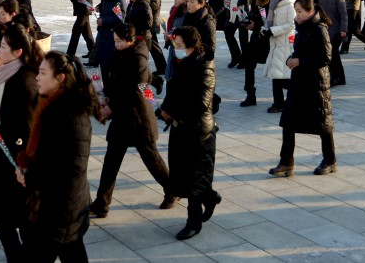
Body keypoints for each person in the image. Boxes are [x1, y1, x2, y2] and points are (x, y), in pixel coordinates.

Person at [16, 51, 103, 262]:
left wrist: (31, 176)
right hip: (54, 205)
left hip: (61, 208)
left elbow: (71, 168)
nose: (37, 77)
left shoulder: (73, 115)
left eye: (43, 73)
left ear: (60, 78)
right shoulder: (48, 103)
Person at [89, 23, 174, 218]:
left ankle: (172, 189)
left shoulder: (138, 60)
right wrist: (106, 99)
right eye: (114, 40)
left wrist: (112, 106)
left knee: (152, 159)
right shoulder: (117, 54)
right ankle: (101, 203)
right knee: (111, 161)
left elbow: (135, 92)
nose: (116, 44)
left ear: (130, 40)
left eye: (119, 41)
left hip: (138, 118)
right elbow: (114, 83)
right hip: (121, 118)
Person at [0, 25, 40, 262]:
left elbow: (26, 128)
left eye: (3, 46)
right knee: (13, 217)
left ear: (18, 52)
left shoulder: (23, 81)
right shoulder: (5, 74)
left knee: (11, 216)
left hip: (16, 161)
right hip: (5, 157)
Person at [160, 27, 219, 240]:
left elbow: (201, 103)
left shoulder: (205, 66)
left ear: (192, 47)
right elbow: (173, 91)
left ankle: (193, 222)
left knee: (194, 178)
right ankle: (209, 196)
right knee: (183, 175)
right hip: (180, 126)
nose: (175, 50)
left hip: (199, 131)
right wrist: (164, 109)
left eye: (179, 46)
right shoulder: (181, 63)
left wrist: (173, 111)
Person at [268, 0, 337, 177]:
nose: (296, 15)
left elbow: (326, 58)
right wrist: (291, 59)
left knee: (323, 124)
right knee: (288, 121)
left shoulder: (319, 28)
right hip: (298, 82)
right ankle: (286, 162)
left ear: (310, 11)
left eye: (299, 12)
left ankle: (330, 160)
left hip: (316, 83)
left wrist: (301, 61)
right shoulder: (301, 27)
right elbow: (299, 51)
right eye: (295, 12)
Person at [263, 0, 296, 113]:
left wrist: (273, 31)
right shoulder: (274, 2)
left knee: (284, 76)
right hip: (275, 42)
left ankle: (288, 101)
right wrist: (266, 30)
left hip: (285, 42)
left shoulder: (290, 4)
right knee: (276, 74)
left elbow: (291, 24)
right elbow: (269, 21)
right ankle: (279, 102)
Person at [242, 0, 272, 106]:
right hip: (255, 39)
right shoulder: (254, 0)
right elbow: (253, 18)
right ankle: (250, 94)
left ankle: (283, 97)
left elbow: (269, 23)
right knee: (249, 65)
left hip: (268, 40)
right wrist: (247, 22)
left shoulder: (271, 3)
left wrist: (256, 26)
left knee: (275, 69)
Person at [95, 0, 128, 81]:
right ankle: (106, 90)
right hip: (103, 34)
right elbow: (108, 11)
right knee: (103, 64)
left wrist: (103, 21)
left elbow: (119, 18)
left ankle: (111, 91)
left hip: (111, 36)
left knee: (111, 66)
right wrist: (100, 9)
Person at [317, 0, 347, 86]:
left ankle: (336, 77)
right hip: (325, 29)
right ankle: (339, 77)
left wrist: (343, 29)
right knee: (332, 55)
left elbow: (343, 14)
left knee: (333, 54)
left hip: (336, 30)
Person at [224, 0, 251, 69]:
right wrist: (227, 1)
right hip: (231, 13)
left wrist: (233, 2)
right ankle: (236, 56)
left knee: (243, 37)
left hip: (241, 13)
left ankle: (244, 60)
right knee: (228, 32)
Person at [164, 0, 189, 82]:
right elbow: (171, 24)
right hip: (172, 40)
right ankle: (169, 78)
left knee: (177, 63)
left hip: (179, 42)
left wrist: (170, 33)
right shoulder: (174, 9)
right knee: (171, 61)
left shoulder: (184, 11)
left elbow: (180, 27)